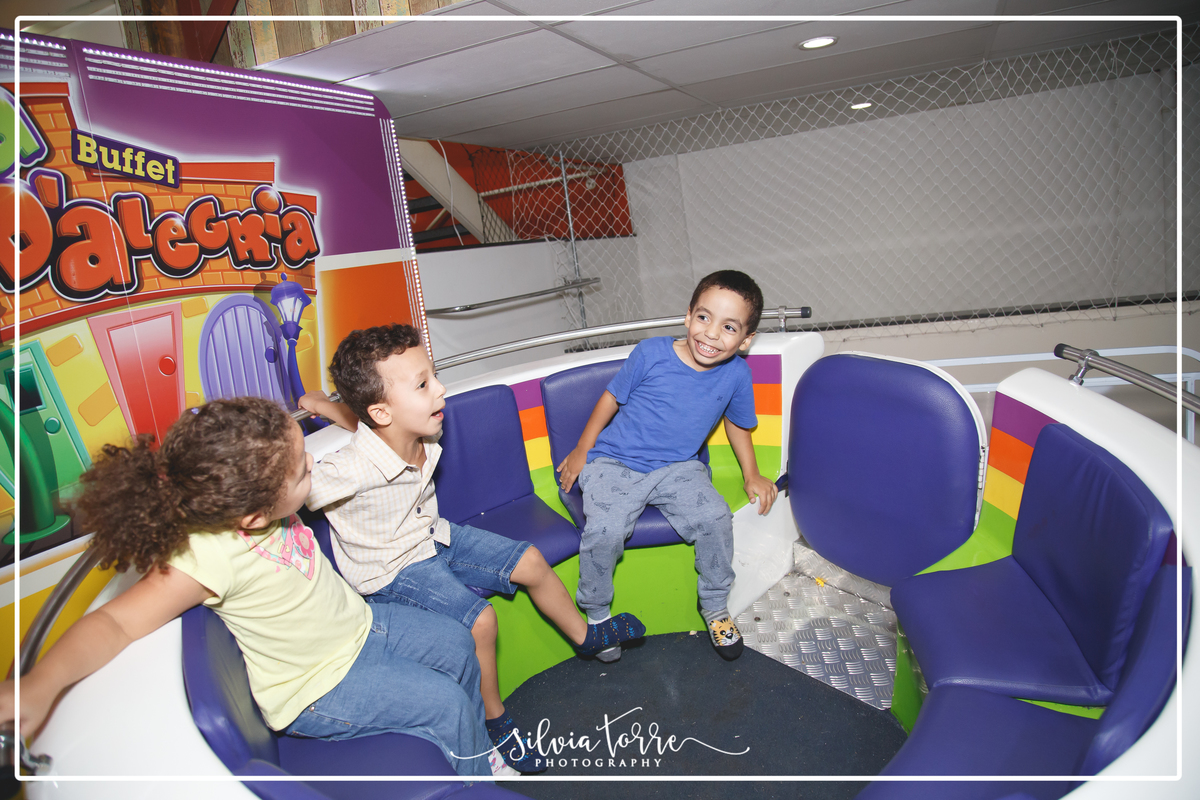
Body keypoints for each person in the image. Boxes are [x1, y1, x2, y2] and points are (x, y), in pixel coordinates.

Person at [0, 397, 509, 778]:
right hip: (317, 687)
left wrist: (330, 409)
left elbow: (366, 442)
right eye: (303, 470)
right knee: (444, 703)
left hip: (363, 627)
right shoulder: (206, 555)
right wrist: (40, 685)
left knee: (458, 643)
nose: (313, 465)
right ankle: (476, 781)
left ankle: (473, 749)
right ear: (254, 516)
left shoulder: (257, 494)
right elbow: (115, 622)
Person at [299, 324, 645, 774]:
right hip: (391, 570)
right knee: (481, 620)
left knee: (531, 560)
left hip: (433, 535)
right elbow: (293, 488)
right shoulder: (346, 470)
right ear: (382, 411)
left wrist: (326, 407)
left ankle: (585, 638)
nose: (440, 389)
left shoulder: (417, 428)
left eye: (433, 375)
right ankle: (493, 721)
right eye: (423, 384)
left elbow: (367, 426)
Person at [556, 270, 779, 662]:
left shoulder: (737, 374)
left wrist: (752, 474)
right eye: (704, 317)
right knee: (606, 529)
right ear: (688, 315)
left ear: (746, 340)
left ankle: (715, 606)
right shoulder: (651, 353)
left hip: (679, 467)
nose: (711, 334)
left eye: (729, 327)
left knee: (715, 519)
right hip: (615, 462)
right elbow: (610, 398)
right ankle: (597, 614)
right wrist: (581, 449)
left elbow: (737, 423)